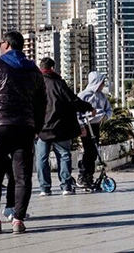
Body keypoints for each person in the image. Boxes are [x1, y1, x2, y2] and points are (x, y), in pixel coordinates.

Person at [0, 31, 46, 235]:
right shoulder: (33, 69)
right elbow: (42, 102)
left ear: (6, 44)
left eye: (0, 43)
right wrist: (37, 127)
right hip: (25, 126)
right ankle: (18, 219)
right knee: (23, 175)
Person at [38, 58, 94, 195]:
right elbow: (73, 100)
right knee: (63, 155)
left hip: (41, 128)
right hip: (60, 127)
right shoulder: (58, 83)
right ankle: (66, 186)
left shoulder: (34, 84)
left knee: (42, 158)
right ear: (53, 68)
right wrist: (88, 107)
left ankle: (44, 188)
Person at [77, 71, 112, 191]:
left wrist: (105, 116)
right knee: (88, 150)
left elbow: (108, 109)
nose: (102, 85)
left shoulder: (102, 96)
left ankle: (89, 175)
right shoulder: (84, 95)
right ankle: (83, 174)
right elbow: (77, 111)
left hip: (96, 126)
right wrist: (81, 125)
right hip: (86, 126)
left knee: (94, 151)